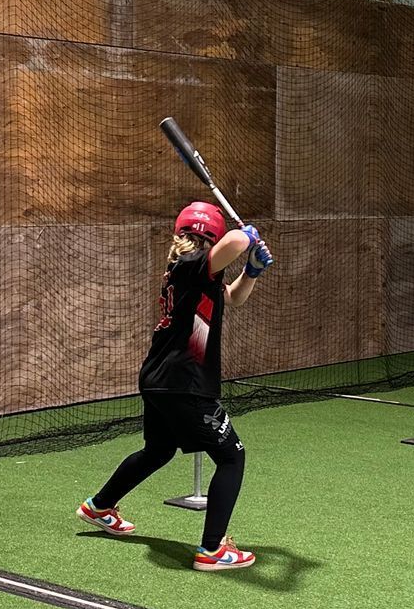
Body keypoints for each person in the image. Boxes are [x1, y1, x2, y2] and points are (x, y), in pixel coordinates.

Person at [78, 202, 271, 571]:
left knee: (159, 451)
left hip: (162, 379)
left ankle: (99, 506)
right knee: (232, 457)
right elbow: (233, 241)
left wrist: (251, 272)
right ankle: (212, 550)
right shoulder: (191, 265)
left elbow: (231, 298)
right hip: (184, 382)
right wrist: (248, 235)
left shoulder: (193, 271)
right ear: (209, 240)